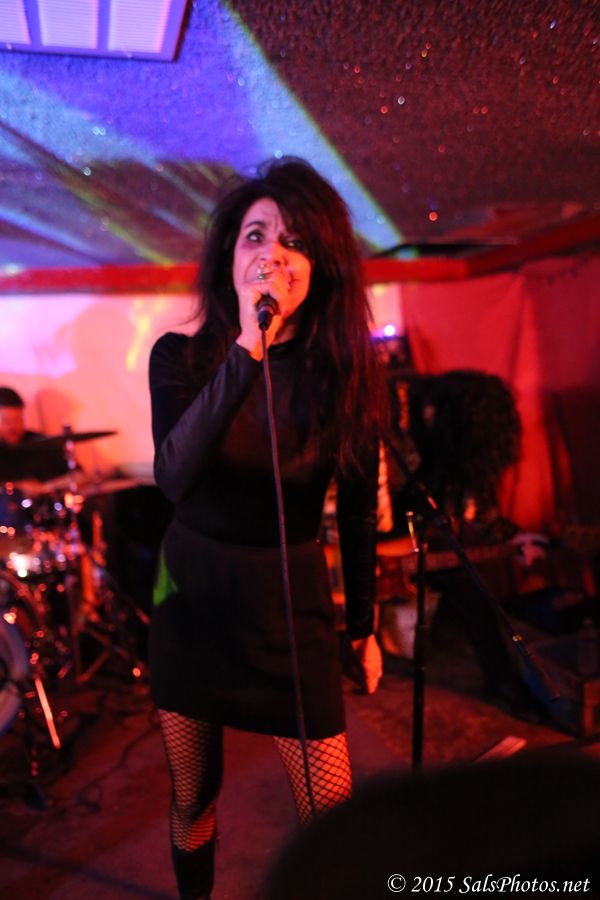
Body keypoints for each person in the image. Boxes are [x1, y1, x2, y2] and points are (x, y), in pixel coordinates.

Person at [149, 158, 385, 900]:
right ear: (229, 256)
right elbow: (174, 476)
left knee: (331, 814)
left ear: (322, 267)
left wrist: (364, 627)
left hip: (290, 609)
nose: (272, 255)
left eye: (295, 241)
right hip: (191, 603)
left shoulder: (346, 375)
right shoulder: (178, 359)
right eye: (256, 236)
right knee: (194, 794)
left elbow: (356, 511)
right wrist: (249, 350)